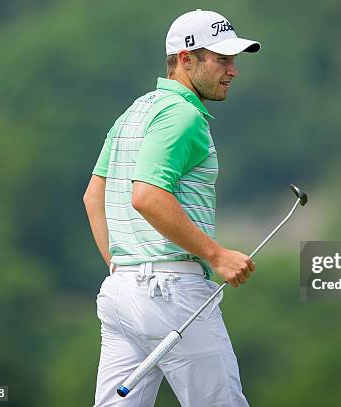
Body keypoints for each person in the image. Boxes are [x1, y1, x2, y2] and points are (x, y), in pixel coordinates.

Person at [83, 8, 260, 407]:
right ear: (186, 59)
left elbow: (93, 197)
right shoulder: (184, 116)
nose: (233, 70)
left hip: (121, 292)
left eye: (233, 60)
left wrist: (120, 264)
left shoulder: (135, 111)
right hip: (172, 294)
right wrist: (216, 255)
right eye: (222, 59)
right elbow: (146, 195)